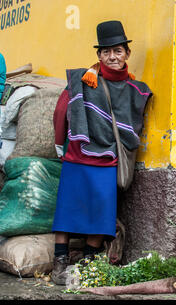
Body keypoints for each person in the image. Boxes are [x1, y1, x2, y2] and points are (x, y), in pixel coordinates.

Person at [51, 20, 152, 285]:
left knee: (101, 212)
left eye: (118, 50)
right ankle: (58, 263)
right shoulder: (84, 80)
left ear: (127, 53)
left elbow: (133, 124)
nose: (112, 56)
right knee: (67, 209)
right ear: (98, 55)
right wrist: (60, 144)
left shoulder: (135, 89)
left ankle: (87, 264)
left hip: (108, 160)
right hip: (77, 154)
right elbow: (62, 111)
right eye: (106, 52)